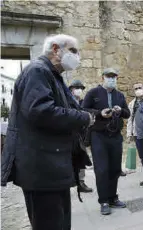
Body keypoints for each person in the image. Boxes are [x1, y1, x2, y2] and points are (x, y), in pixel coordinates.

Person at [1, 34, 94, 230]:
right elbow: (42, 112)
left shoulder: (51, 74)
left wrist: (85, 114)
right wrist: (84, 118)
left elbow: (65, 108)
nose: (78, 57)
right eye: (73, 51)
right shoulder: (37, 71)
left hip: (52, 167)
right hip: (42, 170)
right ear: (55, 49)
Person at [82, 68, 131, 215]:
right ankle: (103, 200)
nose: (112, 79)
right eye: (109, 77)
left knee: (115, 168)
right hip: (99, 136)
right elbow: (83, 109)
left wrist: (120, 111)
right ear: (103, 78)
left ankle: (112, 198)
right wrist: (99, 113)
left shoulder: (120, 95)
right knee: (102, 169)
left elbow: (127, 113)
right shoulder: (93, 93)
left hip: (115, 136)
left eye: (114, 77)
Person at [69, 79, 94, 193]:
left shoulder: (83, 103)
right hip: (69, 135)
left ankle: (81, 182)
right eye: (76, 88)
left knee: (82, 158)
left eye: (81, 88)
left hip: (80, 136)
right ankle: (69, 181)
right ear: (71, 89)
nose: (79, 90)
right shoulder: (67, 101)